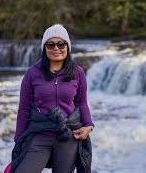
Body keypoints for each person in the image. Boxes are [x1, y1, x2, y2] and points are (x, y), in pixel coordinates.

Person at [12, 24, 94, 173]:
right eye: (51, 44)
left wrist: (88, 125)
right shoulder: (32, 73)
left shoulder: (78, 72)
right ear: (45, 48)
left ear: (67, 47)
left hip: (68, 136)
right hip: (40, 135)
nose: (56, 48)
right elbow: (24, 108)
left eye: (61, 43)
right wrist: (19, 140)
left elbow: (81, 102)